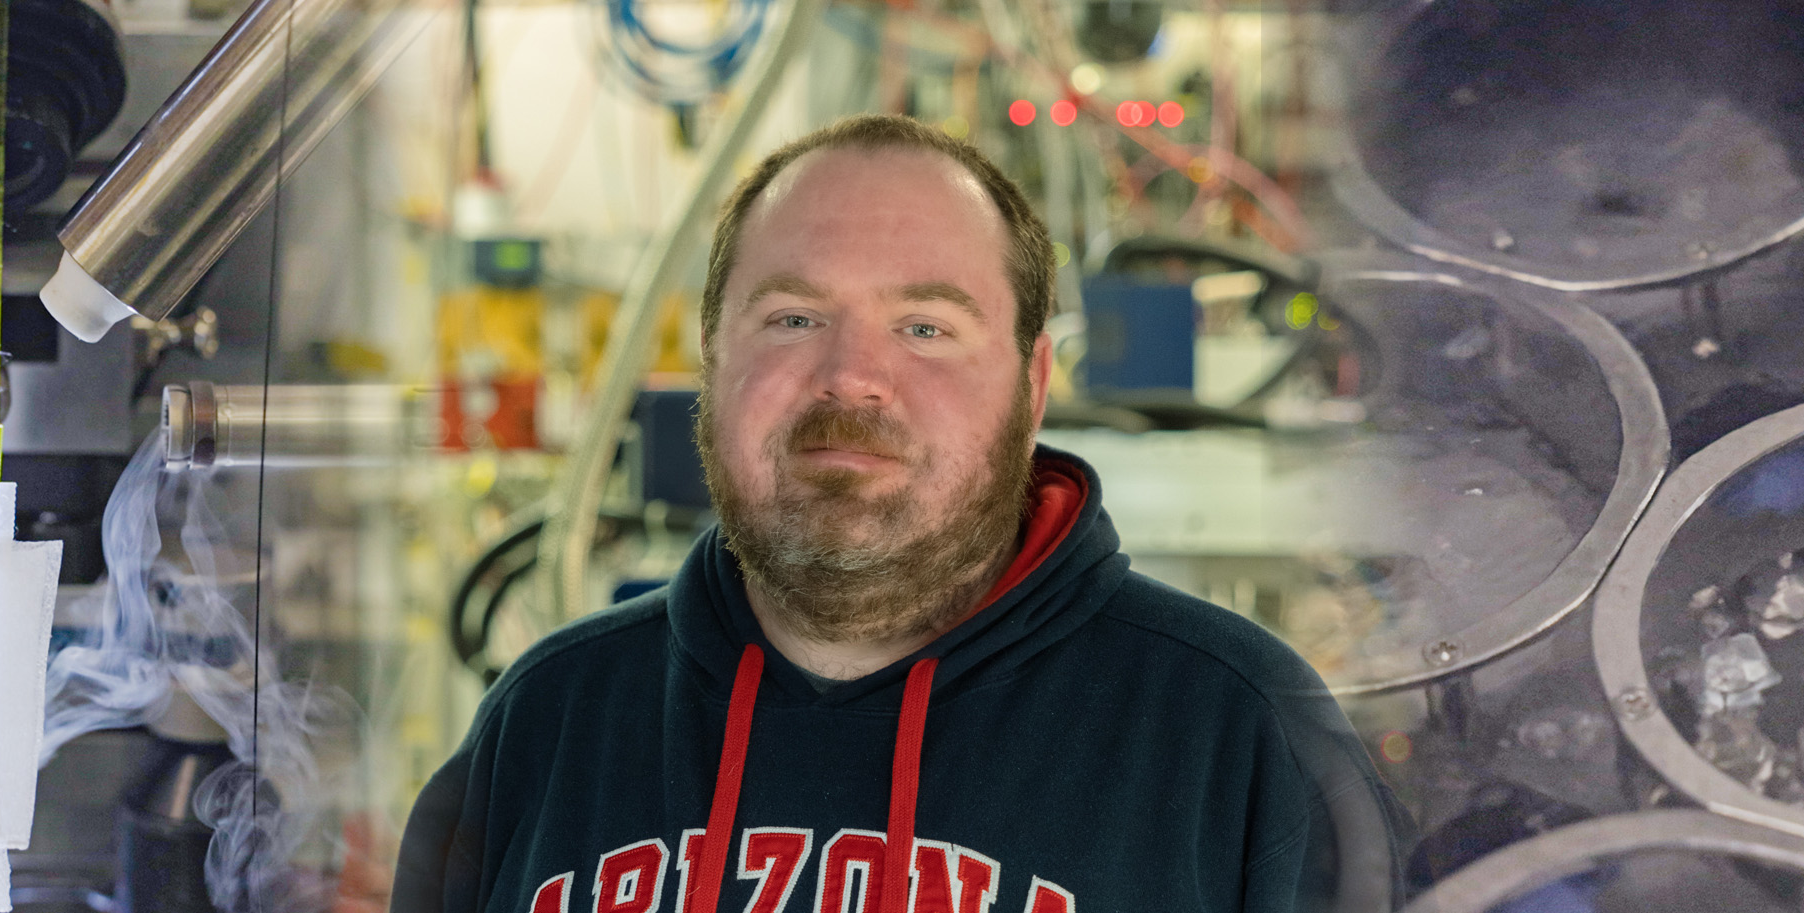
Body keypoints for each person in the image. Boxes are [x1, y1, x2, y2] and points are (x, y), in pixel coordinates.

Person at [395, 114, 1388, 913]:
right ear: (712, 359)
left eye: (925, 326)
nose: (852, 377)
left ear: (1030, 384)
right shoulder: (547, 723)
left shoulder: (1240, 737)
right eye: (792, 318)